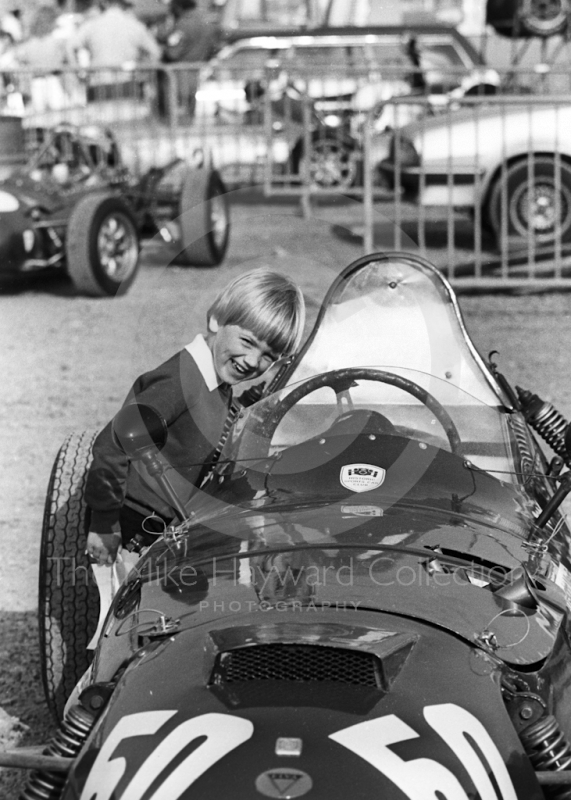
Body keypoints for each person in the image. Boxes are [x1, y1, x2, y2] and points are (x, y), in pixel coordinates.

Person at [85, 270, 306, 566]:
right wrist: (104, 523)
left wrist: (248, 403)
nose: (253, 361)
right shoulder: (180, 382)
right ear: (216, 319)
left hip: (164, 521)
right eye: (247, 342)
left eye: (269, 356)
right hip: (132, 522)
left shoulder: (216, 381)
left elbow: (202, 419)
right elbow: (111, 445)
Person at [161, 0, 216, 118]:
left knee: (176, 117)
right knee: (189, 114)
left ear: (179, 6)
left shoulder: (183, 24)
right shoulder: (206, 22)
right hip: (195, 73)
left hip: (178, 75)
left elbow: (172, 53)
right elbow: (212, 48)